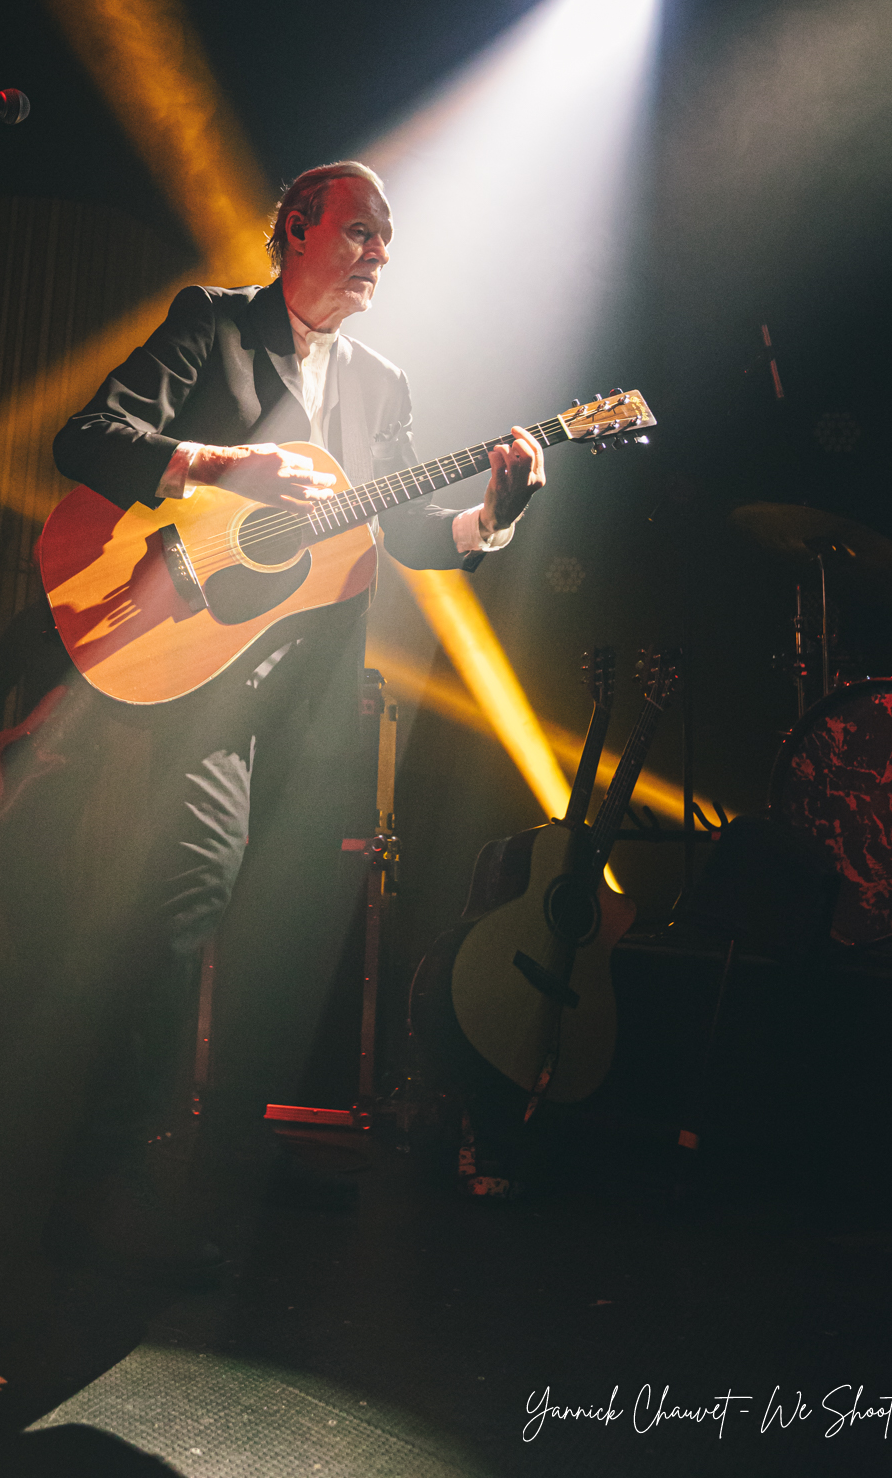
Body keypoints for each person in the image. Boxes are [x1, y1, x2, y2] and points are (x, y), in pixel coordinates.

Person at [44, 161, 545, 1275]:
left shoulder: (383, 386)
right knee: (185, 905)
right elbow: (88, 438)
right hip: (197, 677)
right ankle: (106, 1173)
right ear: (293, 232)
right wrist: (229, 465)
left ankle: (224, 1179)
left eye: (387, 238)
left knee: (284, 931)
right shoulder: (212, 325)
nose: (377, 253)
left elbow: (405, 532)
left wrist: (493, 521)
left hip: (312, 698)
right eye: (358, 231)